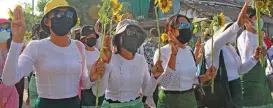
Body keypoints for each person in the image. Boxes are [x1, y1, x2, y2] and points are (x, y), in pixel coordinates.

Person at [2, 0, 94, 108]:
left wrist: (93, 76)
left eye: (68, 14)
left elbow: (85, 84)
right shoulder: (36, 46)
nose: (64, 17)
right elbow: (9, 80)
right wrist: (16, 42)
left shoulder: (79, 46)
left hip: (74, 104)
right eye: (58, 14)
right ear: (46, 21)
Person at [202, 2, 265, 108]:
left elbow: (240, 70)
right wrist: (237, 25)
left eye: (233, 29)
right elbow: (217, 42)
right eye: (229, 29)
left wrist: (254, 58)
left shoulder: (230, 47)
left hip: (235, 89)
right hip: (222, 90)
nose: (233, 33)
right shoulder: (212, 45)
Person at [92, 19, 161, 108]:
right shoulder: (109, 58)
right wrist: (106, 65)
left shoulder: (141, 60)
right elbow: (99, 92)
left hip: (136, 105)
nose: (132, 38)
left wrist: (154, 77)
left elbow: (146, 92)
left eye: (135, 35)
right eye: (128, 34)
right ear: (118, 38)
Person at [153, 14, 216, 108]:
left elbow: (189, 79)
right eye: (183, 25)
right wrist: (172, 55)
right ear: (171, 30)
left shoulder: (189, 50)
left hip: (189, 100)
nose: (187, 29)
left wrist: (205, 77)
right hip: (169, 101)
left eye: (189, 26)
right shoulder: (162, 52)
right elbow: (164, 83)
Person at [237, 7, 273, 107]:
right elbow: (246, 58)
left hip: (261, 77)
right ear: (248, 20)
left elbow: (264, 56)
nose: (259, 21)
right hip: (251, 77)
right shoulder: (244, 36)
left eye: (260, 18)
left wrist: (264, 54)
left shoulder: (258, 35)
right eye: (256, 18)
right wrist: (249, 30)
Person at [79, 25, 104, 108]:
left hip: (98, 89)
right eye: (89, 36)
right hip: (86, 91)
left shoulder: (97, 52)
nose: (92, 38)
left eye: (94, 36)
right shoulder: (80, 52)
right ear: (83, 38)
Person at [138, 28, 159, 107]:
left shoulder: (158, 46)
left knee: (155, 90)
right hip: (148, 70)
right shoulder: (144, 45)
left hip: (155, 70)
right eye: (155, 35)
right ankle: (143, 101)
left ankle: (156, 104)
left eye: (157, 35)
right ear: (151, 35)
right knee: (147, 88)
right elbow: (143, 57)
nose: (156, 37)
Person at [0, 19, 19, 108]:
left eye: (7, 29)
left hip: (10, 88)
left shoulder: (14, 48)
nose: (4, 31)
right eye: (1, 29)